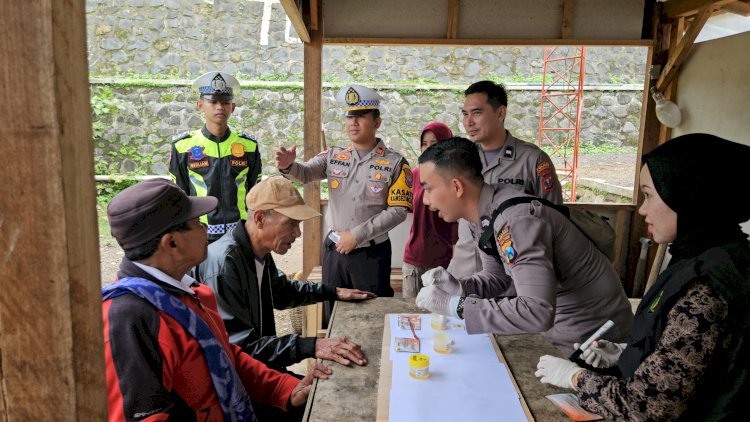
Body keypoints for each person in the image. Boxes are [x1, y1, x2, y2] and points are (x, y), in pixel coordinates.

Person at [534, 133, 750, 421]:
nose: (642, 209)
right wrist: (628, 354)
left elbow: (647, 407)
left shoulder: (708, 287)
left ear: (687, 194)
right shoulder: (706, 254)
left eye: (648, 195)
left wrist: (575, 377)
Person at [101, 178, 331, 421]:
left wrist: (282, 388)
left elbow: (224, 357)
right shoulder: (131, 321)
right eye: (196, 223)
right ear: (172, 243)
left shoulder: (185, 293)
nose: (206, 229)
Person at [414, 137, 632, 354]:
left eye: (429, 188)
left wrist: (456, 306)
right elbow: (498, 277)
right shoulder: (484, 214)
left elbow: (536, 311)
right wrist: (461, 287)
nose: (425, 200)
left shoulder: (515, 221)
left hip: (594, 341)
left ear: (457, 186)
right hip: (559, 329)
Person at [195, 176, 376, 420]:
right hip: (238, 384)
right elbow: (240, 348)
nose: (297, 233)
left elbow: (282, 293)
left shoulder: (258, 252)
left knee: (328, 392)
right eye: (291, 224)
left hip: (262, 370)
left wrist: (332, 292)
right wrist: (312, 345)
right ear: (259, 218)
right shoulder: (226, 263)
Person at [275, 84, 412, 318]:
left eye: (360, 116)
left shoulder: (396, 163)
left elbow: (398, 210)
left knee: (372, 315)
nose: (353, 122)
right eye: (350, 116)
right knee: (333, 311)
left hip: (371, 254)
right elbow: (306, 173)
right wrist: (288, 165)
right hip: (334, 251)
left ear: (376, 122)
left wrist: (356, 236)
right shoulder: (334, 156)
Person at [448, 80, 563, 280]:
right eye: (465, 114)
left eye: (477, 113)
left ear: (500, 113)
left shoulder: (532, 160)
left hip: (513, 278)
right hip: (467, 272)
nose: (468, 122)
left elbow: (555, 220)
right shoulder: (460, 159)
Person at [169, 71, 262, 243]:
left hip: (240, 233)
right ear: (200, 105)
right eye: (213, 102)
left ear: (232, 107)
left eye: (225, 102)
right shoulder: (182, 146)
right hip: (200, 234)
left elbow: (254, 193)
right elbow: (179, 195)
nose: (220, 107)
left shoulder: (248, 145)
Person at [401, 122, 458, 298]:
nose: (427, 149)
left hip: (443, 262)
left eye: (433, 144)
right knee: (409, 317)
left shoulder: (455, 177)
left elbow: (458, 225)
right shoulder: (416, 174)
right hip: (413, 259)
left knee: (439, 319)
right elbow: (408, 207)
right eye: (424, 144)